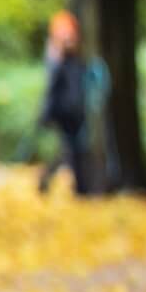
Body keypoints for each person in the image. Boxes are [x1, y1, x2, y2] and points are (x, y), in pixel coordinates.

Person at [37, 10, 90, 196]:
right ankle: (77, 186)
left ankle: (79, 185)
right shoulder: (55, 59)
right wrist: (46, 112)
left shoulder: (76, 59)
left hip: (76, 111)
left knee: (74, 150)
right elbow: (52, 87)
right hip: (62, 112)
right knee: (70, 150)